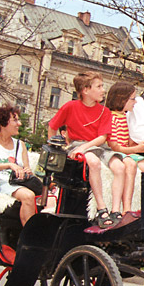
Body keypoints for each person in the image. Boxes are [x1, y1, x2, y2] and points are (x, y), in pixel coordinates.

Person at [47, 71, 122, 229]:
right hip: (77, 145)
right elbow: (52, 126)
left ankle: (117, 210)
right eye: (99, 86)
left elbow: (103, 138)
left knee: (120, 166)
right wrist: (55, 147)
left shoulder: (104, 111)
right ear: (85, 90)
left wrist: (85, 147)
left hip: (96, 146)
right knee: (93, 162)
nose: (103, 90)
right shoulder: (70, 107)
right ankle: (102, 208)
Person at [0, 105, 38, 226]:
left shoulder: (20, 145)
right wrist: (9, 165)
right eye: (15, 120)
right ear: (2, 123)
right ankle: (29, 237)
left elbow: (27, 169)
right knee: (28, 196)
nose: (19, 123)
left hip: (16, 184)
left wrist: (26, 171)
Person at [104, 81, 144, 215]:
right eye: (132, 99)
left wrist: (142, 147)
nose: (135, 102)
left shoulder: (125, 117)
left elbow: (128, 142)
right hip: (116, 154)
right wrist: (137, 149)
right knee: (131, 165)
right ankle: (127, 208)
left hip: (127, 152)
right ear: (122, 99)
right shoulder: (111, 117)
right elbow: (115, 147)